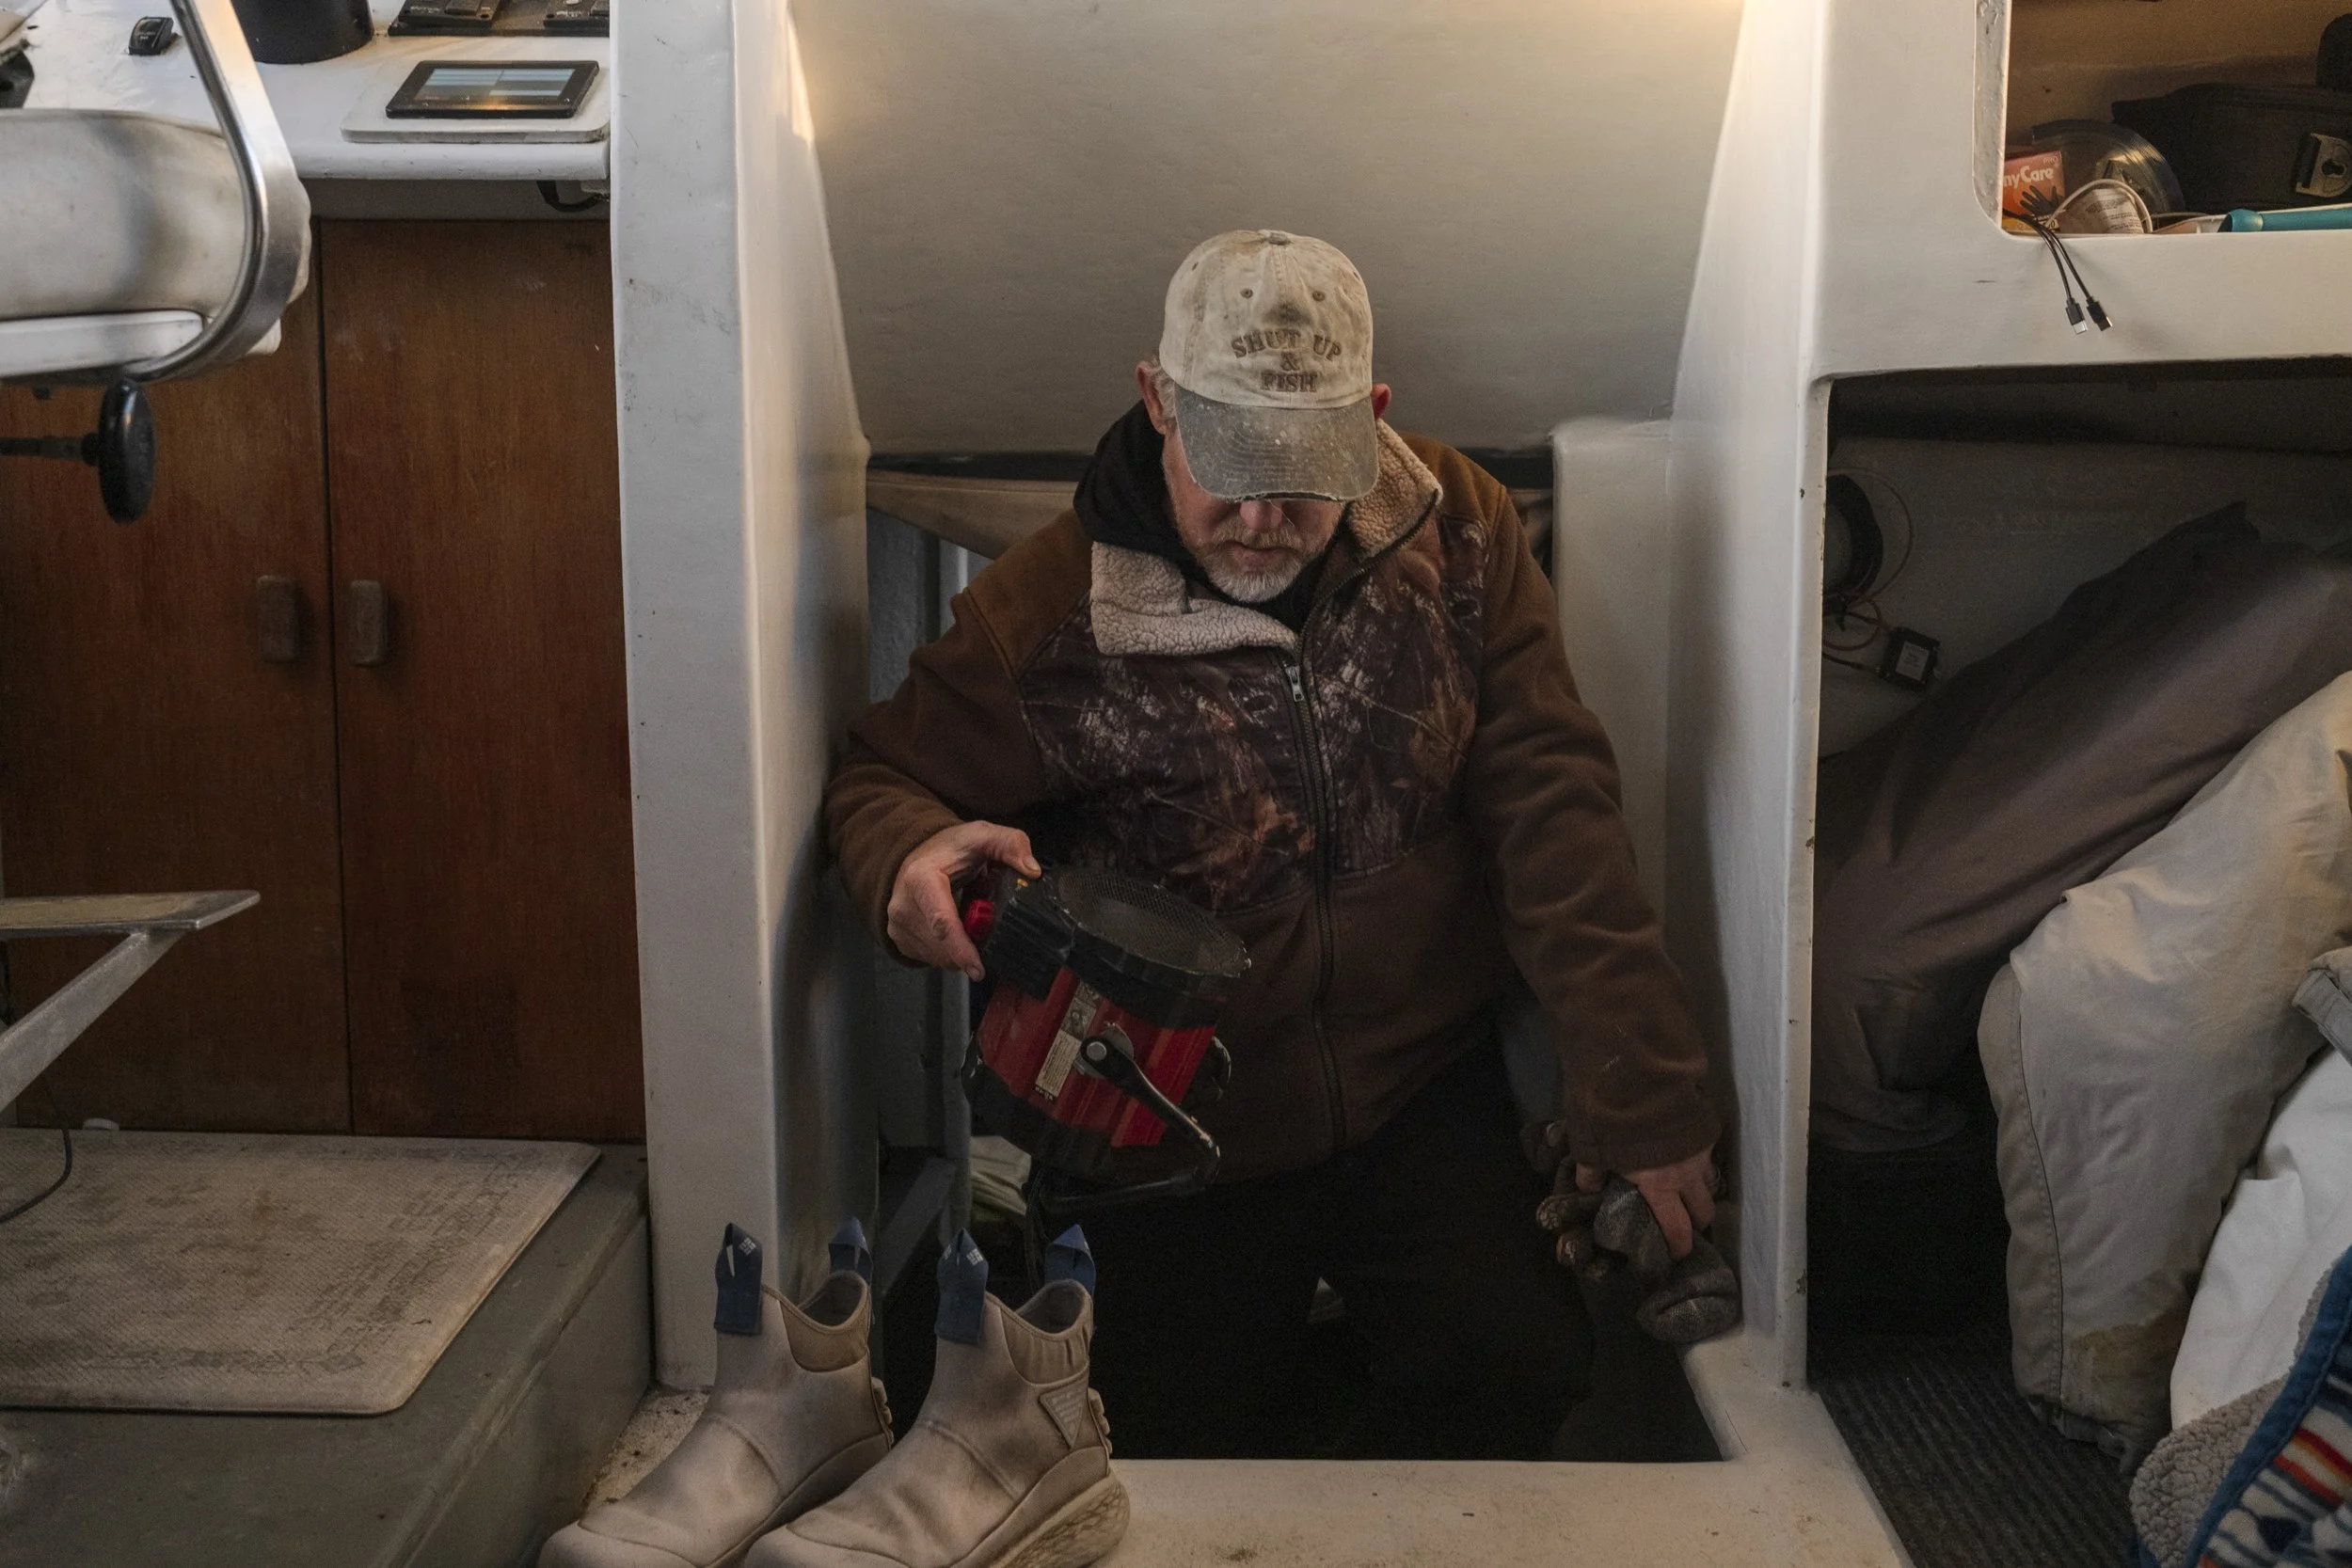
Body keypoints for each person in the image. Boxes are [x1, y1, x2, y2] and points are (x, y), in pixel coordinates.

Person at [825, 230, 1720, 1459]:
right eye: (1230, 460)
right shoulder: (1046, 609)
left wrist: (1645, 1088)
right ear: (1158, 402)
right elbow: (882, 778)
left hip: (1419, 1082)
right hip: (1178, 1116)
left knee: (1527, 1362)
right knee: (1167, 1441)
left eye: (1302, 467)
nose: (1259, 514)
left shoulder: (1462, 533)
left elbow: (1554, 807)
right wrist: (908, 860)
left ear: (1374, 416)